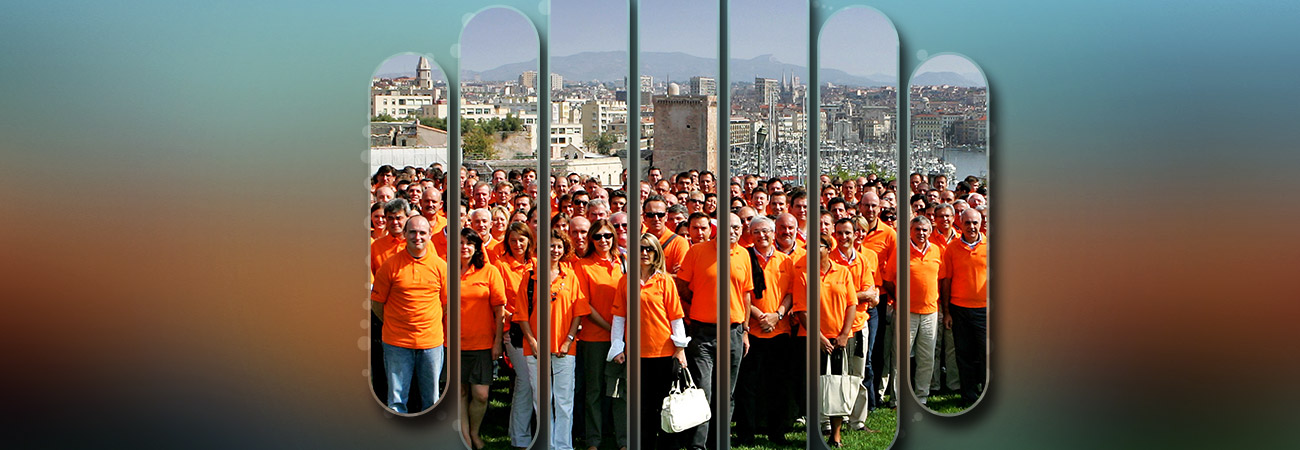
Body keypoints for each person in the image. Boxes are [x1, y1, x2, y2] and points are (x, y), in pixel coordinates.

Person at [676, 213, 754, 450]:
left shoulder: (743, 255)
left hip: (734, 332)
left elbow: (746, 294)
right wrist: (695, 308)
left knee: (727, 394)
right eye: (727, 226)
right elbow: (682, 287)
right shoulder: (697, 251)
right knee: (703, 391)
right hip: (703, 334)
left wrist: (746, 331)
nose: (732, 231)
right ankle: (698, 445)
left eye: (737, 227)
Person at [609, 234, 688, 450]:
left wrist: (680, 349)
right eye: (640, 249)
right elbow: (619, 317)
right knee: (641, 408)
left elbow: (676, 317)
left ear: (656, 253)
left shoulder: (665, 281)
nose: (644, 253)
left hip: (664, 353)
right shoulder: (625, 281)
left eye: (649, 249)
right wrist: (617, 346)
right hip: (636, 355)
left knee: (665, 405)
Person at [517, 230, 587, 450]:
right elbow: (521, 314)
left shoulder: (571, 275)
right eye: (550, 245)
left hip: (565, 347)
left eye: (558, 246)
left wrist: (568, 339)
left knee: (564, 400)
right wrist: (533, 341)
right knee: (542, 400)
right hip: (536, 347)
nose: (554, 250)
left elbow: (578, 311)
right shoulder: (530, 276)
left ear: (564, 249)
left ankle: (564, 445)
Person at [370, 215, 447, 413]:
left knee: (431, 399)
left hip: (431, 343)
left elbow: (446, 304)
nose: (417, 237)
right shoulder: (390, 266)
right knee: (396, 400)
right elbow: (377, 303)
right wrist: (394, 324)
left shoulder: (441, 267)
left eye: (422, 232)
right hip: (397, 343)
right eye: (412, 232)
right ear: (404, 234)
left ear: (430, 235)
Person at [734, 216, 796, 445]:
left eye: (766, 232)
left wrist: (777, 314)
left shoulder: (785, 261)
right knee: (747, 386)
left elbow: (791, 293)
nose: (762, 236)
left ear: (774, 233)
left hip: (779, 331)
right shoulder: (743, 258)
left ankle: (777, 432)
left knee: (778, 385)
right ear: (750, 234)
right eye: (757, 232)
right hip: (751, 331)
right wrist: (759, 316)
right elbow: (739, 292)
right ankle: (746, 433)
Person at [793, 234, 858, 448]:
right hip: (812, 339)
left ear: (828, 248)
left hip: (839, 340)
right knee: (814, 387)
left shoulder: (844, 272)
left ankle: (836, 435)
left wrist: (843, 334)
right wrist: (818, 337)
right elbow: (801, 310)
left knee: (837, 386)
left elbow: (851, 305)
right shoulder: (803, 274)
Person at [574, 220, 624, 450]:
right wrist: (610, 328)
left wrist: (619, 334)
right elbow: (584, 304)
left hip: (623, 339)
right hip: (595, 338)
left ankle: (623, 439)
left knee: (620, 390)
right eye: (598, 236)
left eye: (607, 235)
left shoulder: (623, 262)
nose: (603, 240)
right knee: (593, 390)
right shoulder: (583, 266)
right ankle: (593, 440)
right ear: (591, 239)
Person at [883, 216, 942, 405]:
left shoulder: (936, 251)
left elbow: (941, 280)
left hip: (930, 311)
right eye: (917, 229)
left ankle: (922, 396)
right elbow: (888, 279)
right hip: (906, 312)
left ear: (930, 232)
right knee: (900, 356)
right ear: (910, 231)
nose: (921, 233)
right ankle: (897, 398)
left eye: (925, 230)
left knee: (926, 356)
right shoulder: (901, 251)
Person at [458, 228, 507, 450]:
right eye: (459, 243)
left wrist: (497, 342)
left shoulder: (490, 272)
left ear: (477, 247)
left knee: (480, 395)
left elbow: (499, 311)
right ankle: (466, 437)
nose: (464, 247)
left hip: (482, 343)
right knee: (459, 392)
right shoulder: (446, 270)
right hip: (452, 342)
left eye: (469, 243)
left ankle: (474, 430)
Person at [940, 208, 988, 407]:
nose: (971, 227)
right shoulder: (952, 248)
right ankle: (968, 396)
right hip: (959, 309)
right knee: (964, 355)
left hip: (985, 311)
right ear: (960, 224)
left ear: (981, 223)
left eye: (975, 222)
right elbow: (947, 281)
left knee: (987, 355)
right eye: (967, 223)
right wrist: (947, 312)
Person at [496, 223, 536, 450]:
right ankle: (520, 438)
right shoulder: (500, 266)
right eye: (513, 240)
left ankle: (518, 431)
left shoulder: (536, 264)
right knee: (525, 381)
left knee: (531, 383)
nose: (518, 244)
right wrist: (522, 317)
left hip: (535, 331)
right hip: (514, 330)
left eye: (522, 240)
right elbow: (501, 303)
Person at [643, 195, 688, 274]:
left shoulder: (679, 243)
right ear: (644, 217)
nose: (656, 219)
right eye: (651, 215)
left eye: (660, 215)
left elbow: (680, 276)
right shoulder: (638, 241)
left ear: (666, 216)